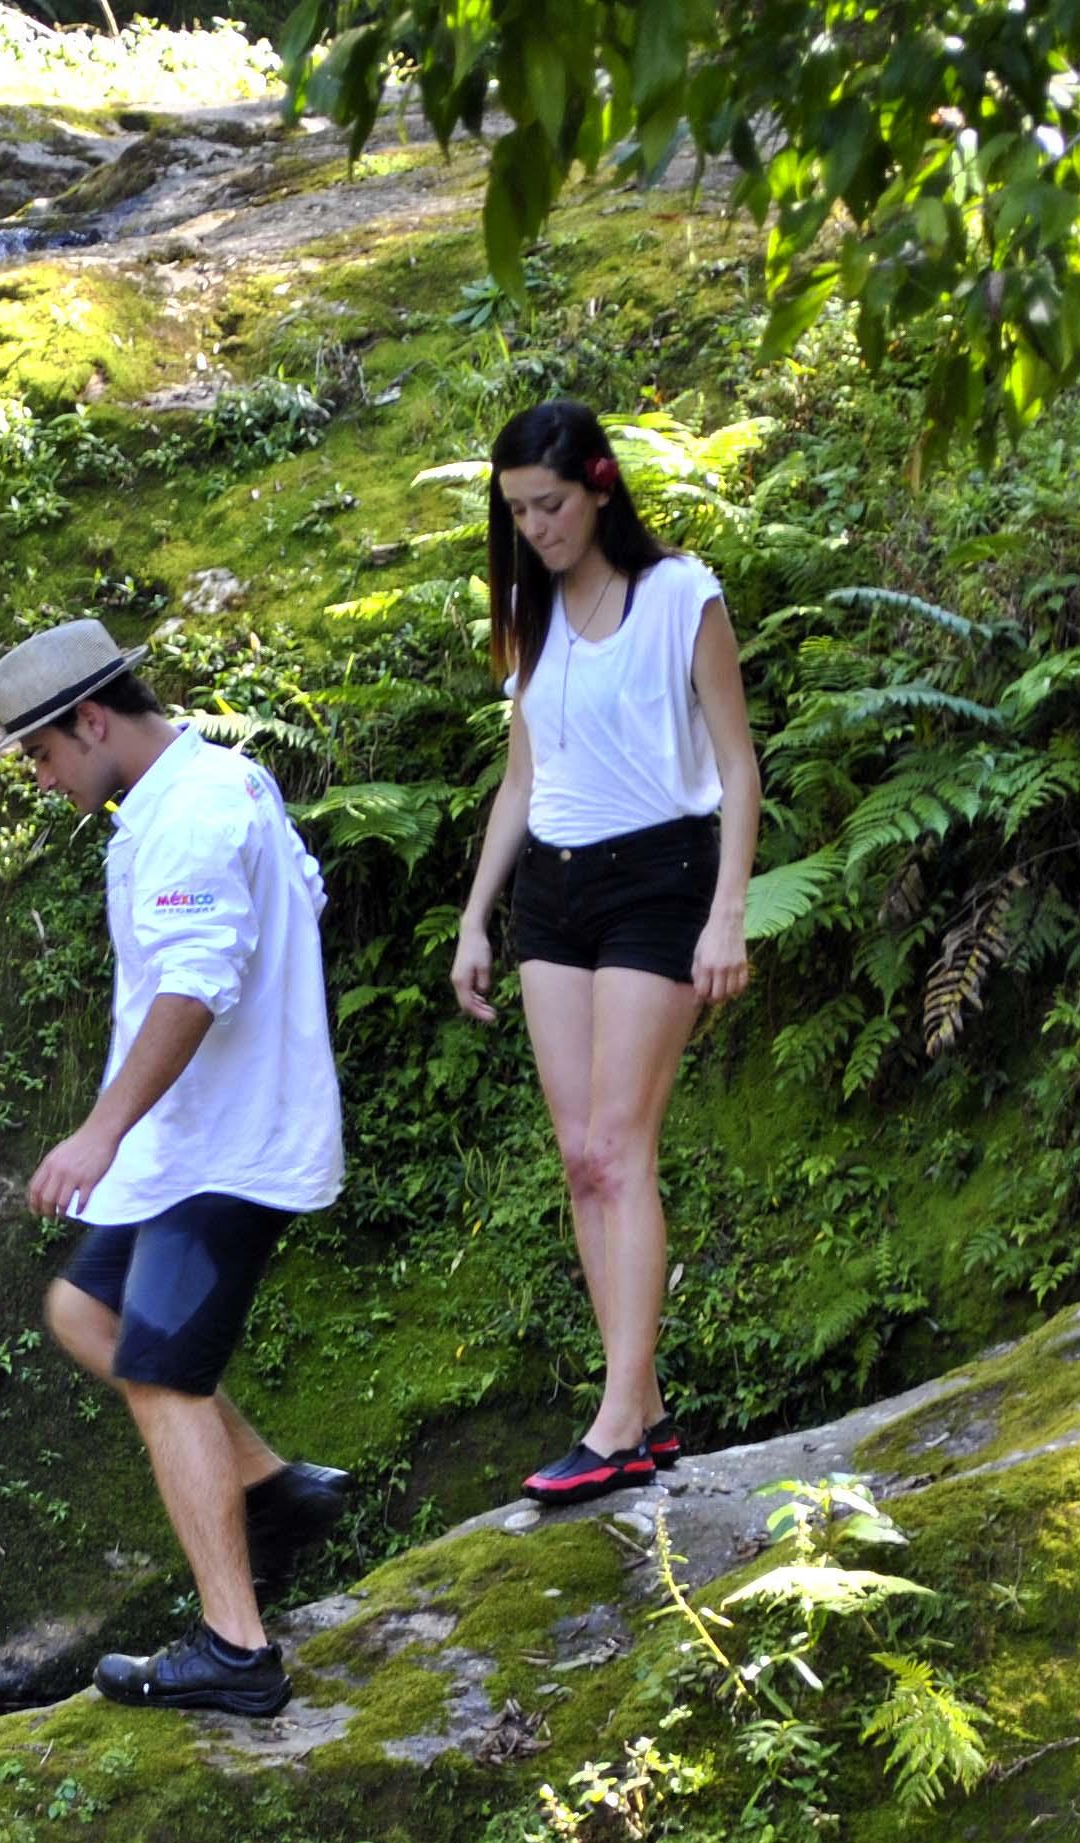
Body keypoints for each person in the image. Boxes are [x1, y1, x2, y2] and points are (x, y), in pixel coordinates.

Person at [0, 618, 350, 1719]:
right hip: (183, 1146)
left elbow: (194, 986)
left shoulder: (192, 813)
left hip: (222, 1151)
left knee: (160, 1370)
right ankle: (271, 1493)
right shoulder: (197, 790)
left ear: (91, 719)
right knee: (82, 1311)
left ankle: (236, 1652)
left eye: (44, 756)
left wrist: (97, 1131)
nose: (45, 780)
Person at [449, 403, 761, 1507]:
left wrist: (727, 914)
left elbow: (734, 765)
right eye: (517, 513)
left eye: (550, 504)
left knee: (620, 1143)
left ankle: (617, 1418)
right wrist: (473, 917)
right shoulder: (528, 618)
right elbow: (521, 781)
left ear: (597, 486)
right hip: (552, 892)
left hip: (658, 883)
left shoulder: (680, 594)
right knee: (580, 1154)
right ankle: (645, 1404)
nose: (534, 528)